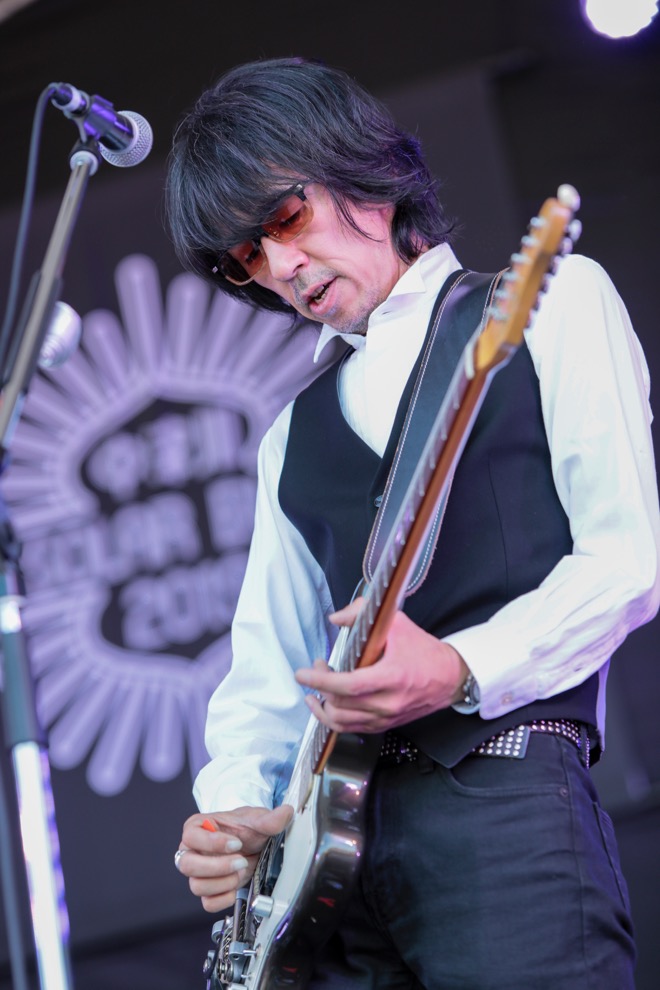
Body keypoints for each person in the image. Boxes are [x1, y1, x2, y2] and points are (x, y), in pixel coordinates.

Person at [165, 57, 660, 988]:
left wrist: (461, 667)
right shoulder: (287, 437)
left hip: (505, 808)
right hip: (325, 880)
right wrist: (229, 815)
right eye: (246, 259)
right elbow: (267, 675)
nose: (279, 269)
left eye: (284, 218)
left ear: (361, 168)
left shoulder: (554, 303)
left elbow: (626, 562)